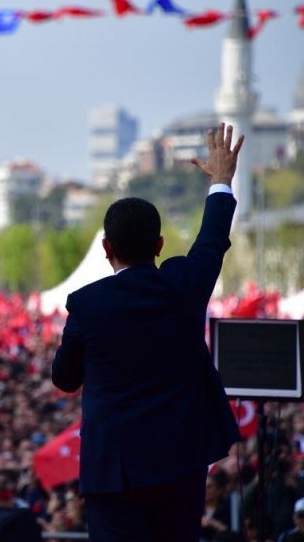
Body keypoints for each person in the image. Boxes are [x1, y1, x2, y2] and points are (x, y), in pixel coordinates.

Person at [51, 123, 244, 542]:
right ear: (159, 245)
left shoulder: (86, 305)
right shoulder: (183, 285)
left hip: (114, 471)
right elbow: (211, 241)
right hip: (180, 462)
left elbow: (64, 379)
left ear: (106, 248)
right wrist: (221, 181)